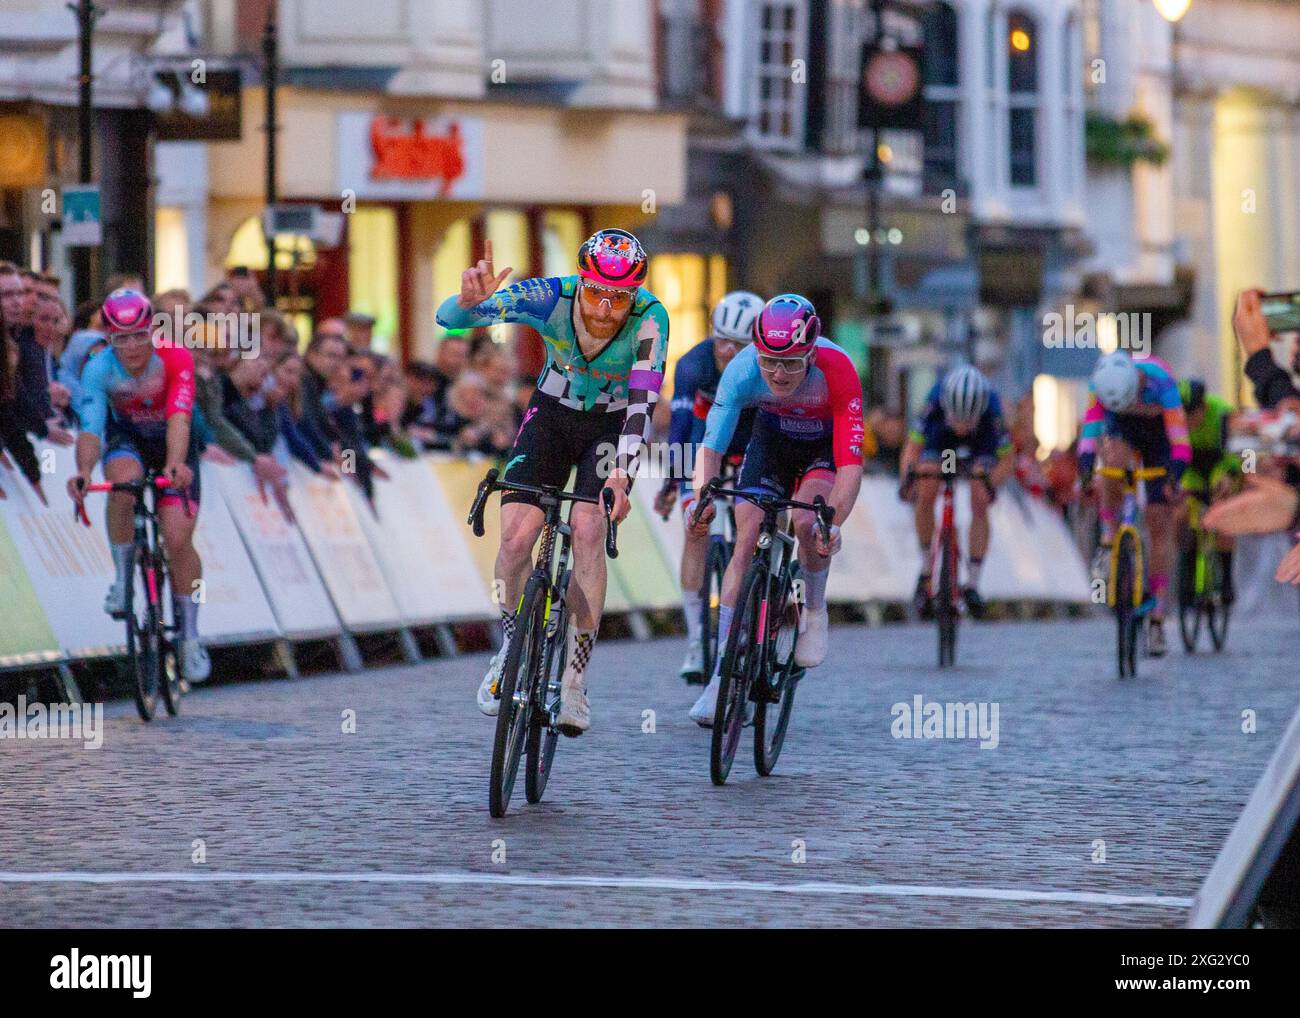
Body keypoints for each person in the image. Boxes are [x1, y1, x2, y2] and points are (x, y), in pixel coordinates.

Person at [436, 229, 668, 736]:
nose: (607, 308)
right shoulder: (549, 296)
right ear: (581, 281)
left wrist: (622, 476)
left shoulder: (651, 319)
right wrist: (467, 303)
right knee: (517, 538)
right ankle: (508, 647)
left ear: (635, 293)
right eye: (597, 293)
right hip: (551, 415)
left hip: (610, 428)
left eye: (620, 297)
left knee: (587, 530)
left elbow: (643, 403)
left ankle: (575, 679)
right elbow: (449, 321)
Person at [686, 294, 868, 725]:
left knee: (808, 522)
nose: (779, 373)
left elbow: (850, 466)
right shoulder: (743, 369)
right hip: (772, 444)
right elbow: (711, 446)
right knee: (744, 537)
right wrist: (700, 496)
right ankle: (720, 680)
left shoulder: (838, 370)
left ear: (812, 351)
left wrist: (833, 523)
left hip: (823, 450)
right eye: (770, 361)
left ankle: (815, 611)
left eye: (791, 362)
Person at [68, 289, 210, 682]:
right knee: (122, 484)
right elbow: (92, 428)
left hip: (171, 439)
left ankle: (190, 636)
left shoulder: (175, 358)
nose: (131, 346)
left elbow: (179, 419)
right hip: (126, 439)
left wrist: (176, 464)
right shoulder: (98, 368)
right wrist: (83, 472)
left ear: (152, 330)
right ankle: (121, 578)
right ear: (109, 337)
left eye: (139, 335)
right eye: (120, 338)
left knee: (178, 539)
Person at [653, 289, 763, 681]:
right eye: (722, 341)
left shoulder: (768, 367)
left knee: (760, 524)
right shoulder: (693, 365)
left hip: (753, 442)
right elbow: (681, 430)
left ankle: (765, 603)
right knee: (695, 527)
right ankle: (697, 642)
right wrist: (673, 482)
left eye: (740, 345)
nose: (729, 352)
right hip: (704, 445)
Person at [1077, 351, 1191, 657]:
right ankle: (1109, 535)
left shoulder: (1161, 381)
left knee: (1158, 522)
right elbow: (1090, 433)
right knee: (1111, 464)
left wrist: (1174, 476)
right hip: (1121, 431)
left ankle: (1156, 617)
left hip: (1159, 438)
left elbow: (1180, 441)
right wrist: (1086, 467)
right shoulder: (1099, 384)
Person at [898, 365, 1014, 621]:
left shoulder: (992, 410)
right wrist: (908, 479)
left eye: (967, 420)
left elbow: (1007, 461)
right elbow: (912, 449)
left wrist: (990, 484)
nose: (961, 426)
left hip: (980, 445)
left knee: (979, 497)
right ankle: (928, 568)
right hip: (941, 442)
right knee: (927, 484)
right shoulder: (935, 401)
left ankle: (972, 582)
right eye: (957, 419)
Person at [1177, 378, 1240, 603]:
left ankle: (1226, 579)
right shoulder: (1176, 417)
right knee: (1183, 514)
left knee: (1224, 511)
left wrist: (1230, 474)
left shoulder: (1222, 413)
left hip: (1221, 463)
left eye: (1191, 413)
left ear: (1203, 407)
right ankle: (1187, 571)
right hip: (1193, 467)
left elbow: (1237, 451)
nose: (1187, 420)